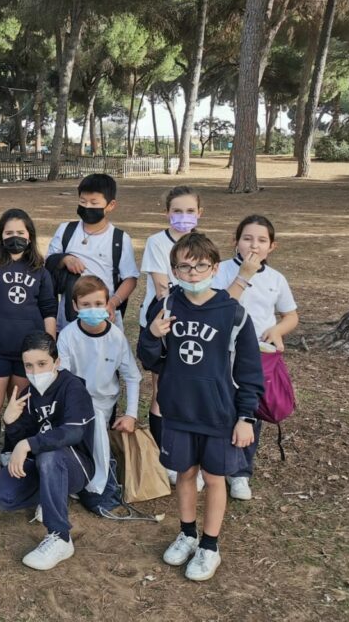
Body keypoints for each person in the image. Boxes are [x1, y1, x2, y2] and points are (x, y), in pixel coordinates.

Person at [138, 232, 264, 582]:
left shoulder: (233, 313)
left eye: (201, 266)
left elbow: (250, 371)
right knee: (185, 474)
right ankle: (187, 533)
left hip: (218, 413)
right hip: (178, 412)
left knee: (214, 477)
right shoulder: (166, 307)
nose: (193, 274)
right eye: (184, 267)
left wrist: (245, 417)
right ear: (174, 270)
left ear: (215, 267)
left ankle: (210, 545)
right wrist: (152, 334)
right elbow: (149, 359)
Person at [0, 332, 95, 571]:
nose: (36, 371)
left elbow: (73, 433)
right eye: (29, 366)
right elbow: (19, 440)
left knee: (48, 454)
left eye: (42, 364)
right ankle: (50, 495)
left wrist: (28, 445)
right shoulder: (27, 395)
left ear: (56, 362)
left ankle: (60, 536)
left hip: (77, 466)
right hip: (43, 467)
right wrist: (11, 422)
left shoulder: (72, 386)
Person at [0, 208, 57, 484]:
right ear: (0, 236)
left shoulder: (40, 270)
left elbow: (49, 309)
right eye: (8, 233)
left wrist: (49, 350)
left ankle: (9, 452)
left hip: (27, 354)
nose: (14, 237)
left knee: (19, 407)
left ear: (29, 236)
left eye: (20, 233)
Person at [213, 215, 298, 501]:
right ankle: (209, 466)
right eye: (247, 238)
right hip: (221, 353)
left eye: (262, 240)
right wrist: (244, 275)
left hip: (256, 357)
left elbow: (290, 315)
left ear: (272, 247)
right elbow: (220, 307)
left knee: (249, 412)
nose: (254, 245)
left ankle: (240, 472)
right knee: (217, 407)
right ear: (235, 241)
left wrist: (277, 330)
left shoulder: (276, 279)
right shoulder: (220, 270)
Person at [139, 185, 205, 490]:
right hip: (164, 324)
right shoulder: (156, 242)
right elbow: (162, 287)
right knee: (162, 392)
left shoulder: (204, 245)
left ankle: (191, 457)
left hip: (196, 329)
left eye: (190, 211)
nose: (183, 216)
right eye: (177, 210)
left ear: (199, 213)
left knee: (192, 392)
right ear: (167, 212)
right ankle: (163, 458)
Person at [57, 275, 140, 514]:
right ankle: (79, 479)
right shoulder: (68, 336)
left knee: (100, 446)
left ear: (108, 305)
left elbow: (132, 377)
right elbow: (63, 378)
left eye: (98, 304)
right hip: (75, 404)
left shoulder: (116, 337)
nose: (93, 310)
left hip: (105, 404)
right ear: (75, 306)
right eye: (85, 305)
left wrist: (131, 414)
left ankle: (99, 486)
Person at [45, 173, 139, 331]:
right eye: (83, 201)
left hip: (103, 314)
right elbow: (48, 263)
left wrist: (113, 302)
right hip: (69, 316)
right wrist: (65, 259)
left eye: (94, 202)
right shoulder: (66, 230)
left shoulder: (119, 239)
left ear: (110, 205)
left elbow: (130, 278)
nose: (87, 207)